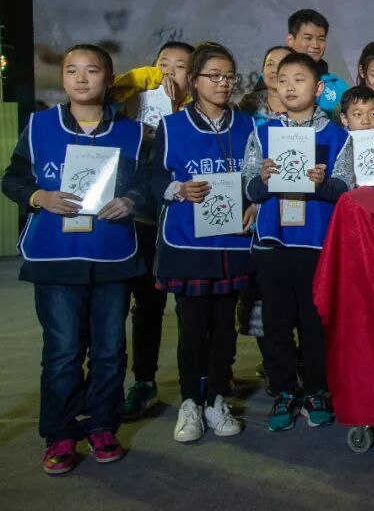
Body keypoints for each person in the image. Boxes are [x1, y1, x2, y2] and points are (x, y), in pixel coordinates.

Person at [2, 44, 148, 474]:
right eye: (72, 70)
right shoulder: (39, 125)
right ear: (63, 78)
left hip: (111, 254)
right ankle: (60, 433)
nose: (81, 78)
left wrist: (130, 200)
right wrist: (38, 196)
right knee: (63, 351)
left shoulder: (133, 132)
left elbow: (147, 184)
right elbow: (13, 178)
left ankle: (102, 425)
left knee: (109, 351)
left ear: (109, 78)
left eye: (92, 70)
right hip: (55, 256)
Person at [152, 42, 255, 443]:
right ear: (194, 80)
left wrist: (256, 205)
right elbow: (153, 179)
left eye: (229, 76)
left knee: (225, 329)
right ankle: (190, 403)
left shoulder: (248, 125)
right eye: (214, 76)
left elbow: (256, 180)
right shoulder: (171, 126)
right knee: (193, 327)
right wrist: (178, 189)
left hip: (232, 243)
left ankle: (216, 399)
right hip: (189, 243)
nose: (223, 83)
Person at [243, 52, 350, 432]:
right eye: (283, 79)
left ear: (318, 88)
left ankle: (317, 389)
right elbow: (249, 189)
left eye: (299, 79)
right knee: (276, 322)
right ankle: (285, 390)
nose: (290, 86)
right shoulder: (261, 134)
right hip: (274, 241)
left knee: (314, 322)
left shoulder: (337, 135)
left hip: (317, 243)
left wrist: (323, 184)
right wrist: (263, 180)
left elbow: (346, 188)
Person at [110, 40, 195, 420]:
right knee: (146, 307)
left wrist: (173, 115)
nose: (168, 74)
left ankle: (203, 378)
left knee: (192, 308)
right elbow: (110, 96)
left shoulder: (194, 116)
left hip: (185, 227)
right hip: (143, 224)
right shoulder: (133, 111)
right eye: (163, 64)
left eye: (179, 67)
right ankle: (143, 381)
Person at [284, 9, 349, 116]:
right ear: (290, 40)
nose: (315, 45)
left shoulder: (339, 87)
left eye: (321, 39)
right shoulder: (272, 81)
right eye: (308, 38)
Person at [238, 46, 291, 126]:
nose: (275, 70)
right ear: (263, 71)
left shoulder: (307, 113)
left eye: (283, 64)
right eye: (270, 64)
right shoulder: (245, 110)